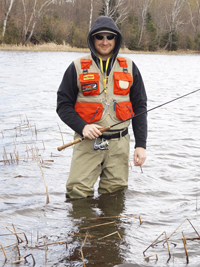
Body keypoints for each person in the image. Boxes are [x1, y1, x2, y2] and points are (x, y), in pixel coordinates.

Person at [57, 16, 147, 199]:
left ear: (117, 39)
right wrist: (83, 126)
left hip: (119, 145)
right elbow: (63, 105)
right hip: (87, 143)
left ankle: (109, 228)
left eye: (110, 37)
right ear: (92, 39)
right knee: (77, 194)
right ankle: (83, 228)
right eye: (100, 37)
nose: (105, 41)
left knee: (115, 194)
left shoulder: (130, 67)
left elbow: (140, 107)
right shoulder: (76, 67)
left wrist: (140, 145)